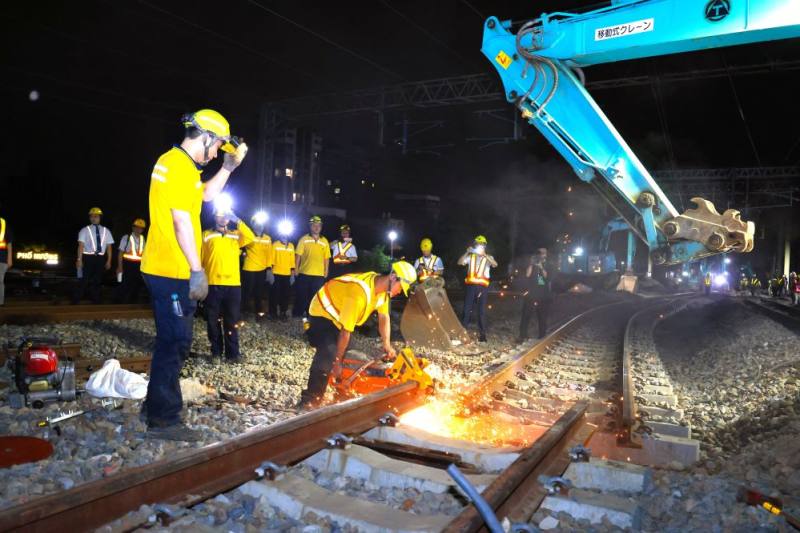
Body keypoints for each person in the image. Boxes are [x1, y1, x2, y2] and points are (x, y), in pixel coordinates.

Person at [140, 108, 247, 441]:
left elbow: (206, 195)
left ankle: (153, 405)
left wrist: (228, 167)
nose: (215, 154)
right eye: (216, 147)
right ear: (205, 137)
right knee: (175, 341)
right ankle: (163, 420)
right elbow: (181, 221)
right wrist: (197, 270)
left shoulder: (180, 165)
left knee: (172, 340)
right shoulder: (176, 166)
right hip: (171, 270)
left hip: (165, 267)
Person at [298, 261, 417, 409]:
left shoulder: (382, 291)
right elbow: (345, 331)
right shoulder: (359, 293)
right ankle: (310, 400)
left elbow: (384, 317)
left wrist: (386, 344)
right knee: (329, 353)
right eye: (401, 287)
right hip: (322, 312)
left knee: (351, 355)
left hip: (340, 316)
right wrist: (337, 362)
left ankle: (341, 391)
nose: (400, 292)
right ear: (393, 277)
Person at [202, 208, 255, 362]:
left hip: (233, 285)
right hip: (213, 283)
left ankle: (233, 354)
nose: (223, 218)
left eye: (226, 216)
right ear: (215, 217)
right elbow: (200, 257)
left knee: (232, 320)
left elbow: (250, 237)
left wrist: (237, 219)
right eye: (220, 215)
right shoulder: (206, 235)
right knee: (213, 321)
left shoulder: (236, 235)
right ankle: (216, 353)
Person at [458, 235, 498, 342]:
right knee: (466, 309)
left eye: (482, 245)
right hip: (471, 287)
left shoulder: (488, 257)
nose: (480, 246)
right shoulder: (471, 256)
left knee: (481, 311)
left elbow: (495, 264)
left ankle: (482, 335)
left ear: (485, 246)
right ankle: (463, 332)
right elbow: (460, 262)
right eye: (478, 245)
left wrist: (485, 255)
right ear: (475, 245)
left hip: (482, 288)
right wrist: (467, 252)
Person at [73, 207, 114, 304]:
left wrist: (109, 260)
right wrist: (79, 259)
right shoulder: (85, 230)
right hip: (88, 257)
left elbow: (109, 247)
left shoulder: (106, 231)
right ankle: (76, 299)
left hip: (100, 258)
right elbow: (81, 245)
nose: (93, 218)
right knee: (84, 279)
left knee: (98, 280)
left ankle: (96, 300)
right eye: (91, 216)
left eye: (96, 216)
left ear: (100, 218)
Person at [293, 215, 330, 318]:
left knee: (314, 297)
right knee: (301, 295)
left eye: (319, 225)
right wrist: (296, 269)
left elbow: (326, 258)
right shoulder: (304, 239)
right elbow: (298, 255)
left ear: (321, 227)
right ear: (310, 226)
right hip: (304, 272)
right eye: (314, 225)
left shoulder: (324, 241)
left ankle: (311, 315)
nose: (317, 227)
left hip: (319, 274)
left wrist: (326, 271)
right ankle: (297, 314)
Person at [241, 214, 272, 320]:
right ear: (252, 224)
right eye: (257, 223)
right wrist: (242, 253)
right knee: (247, 292)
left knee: (259, 292)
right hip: (249, 268)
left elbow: (269, 255)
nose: (259, 225)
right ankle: (244, 312)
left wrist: (269, 269)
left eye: (261, 223)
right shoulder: (248, 236)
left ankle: (258, 313)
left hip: (262, 270)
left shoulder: (267, 238)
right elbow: (240, 246)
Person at [518, 248, 551, 341]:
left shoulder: (548, 264)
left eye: (543, 253)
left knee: (542, 315)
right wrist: (531, 264)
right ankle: (522, 334)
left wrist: (541, 267)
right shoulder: (532, 263)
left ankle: (542, 335)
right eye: (540, 253)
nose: (542, 255)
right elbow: (527, 274)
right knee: (526, 314)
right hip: (531, 292)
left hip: (543, 294)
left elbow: (546, 276)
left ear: (546, 254)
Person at [115, 218, 147, 303]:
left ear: (142, 229)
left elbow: (144, 254)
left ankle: (134, 302)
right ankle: (121, 302)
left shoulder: (143, 239)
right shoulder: (126, 237)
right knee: (125, 283)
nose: (138, 229)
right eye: (136, 227)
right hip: (128, 264)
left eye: (140, 228)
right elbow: (120, 252)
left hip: (139, 265)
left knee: (137, 284)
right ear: (133, 227)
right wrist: (120, 267)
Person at [270, 232, 296, 320]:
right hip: (276, 273)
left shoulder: (291, 246)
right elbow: (271, 259)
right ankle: (273, 313)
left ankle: (283, 312)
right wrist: (270, 273)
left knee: (285, 295)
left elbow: (292, 261)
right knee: (274, 294)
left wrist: (292, 274)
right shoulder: (275, 244)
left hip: (287, 274)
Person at [0, 214, 12, 306]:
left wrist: (9, 259)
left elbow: (9, 242)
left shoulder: (3, 223)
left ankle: (0, 302)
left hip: (1, 259)